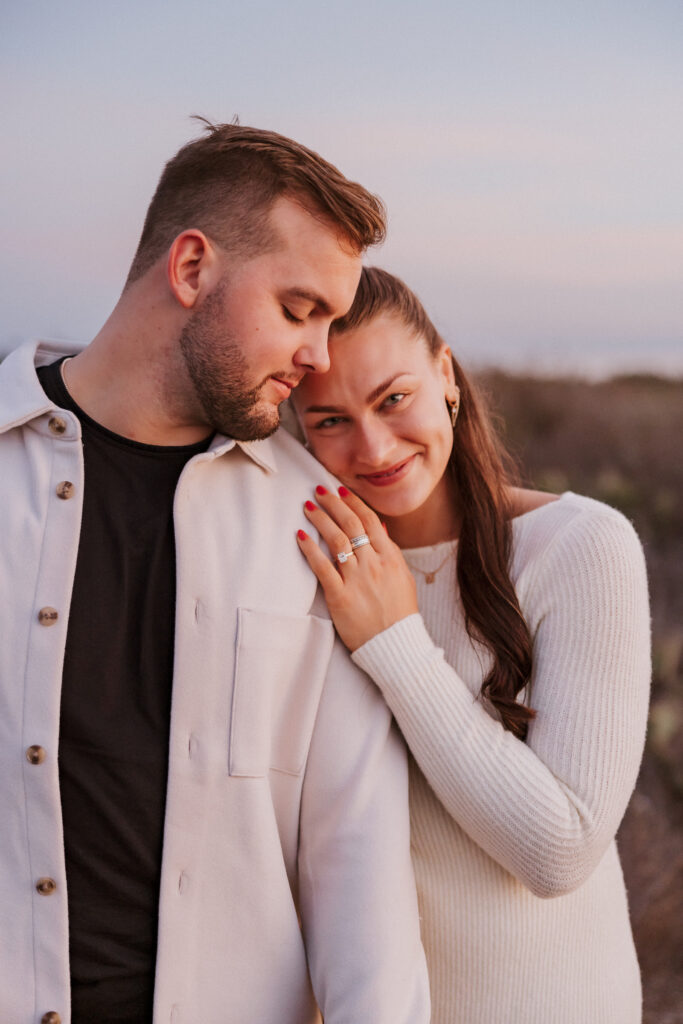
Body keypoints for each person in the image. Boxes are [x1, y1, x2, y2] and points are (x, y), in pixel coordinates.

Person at [0, 127, 430, 1024]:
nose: (318, 355)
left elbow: (359, 878)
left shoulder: (317, 525)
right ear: (191, 268)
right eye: (298, 308)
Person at [293, 266, 651, 1024]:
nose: (374, 444)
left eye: (393, 399)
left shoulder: (579, 547)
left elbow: (558, 852)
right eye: (328, 420)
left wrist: (394, 641)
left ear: (445, 375)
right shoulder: (312, 570)